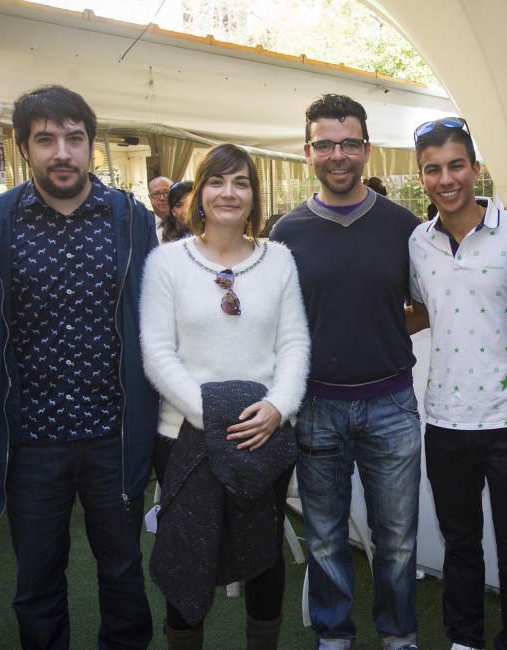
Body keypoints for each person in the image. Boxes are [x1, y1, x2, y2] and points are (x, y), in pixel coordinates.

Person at [0, 85, 158, 649]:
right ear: (24, 147)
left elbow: (154, 313)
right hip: (31, 442)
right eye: (46, 139)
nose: (62, 152)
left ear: (91, 144)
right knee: (37, 582)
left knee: (122, 574)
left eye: (74, 138)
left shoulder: (130, 220)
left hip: (114, 438)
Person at [141, 143, 310, 649]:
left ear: (254, 195)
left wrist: (279, 407)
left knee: (262, 557)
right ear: (199, 193)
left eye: (241, 182)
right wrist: (214, 418)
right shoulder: (166, 261)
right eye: (217, 181)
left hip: (264, 433)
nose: (228, 192)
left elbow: (295, 342)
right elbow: (156, 352)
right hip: (183, 435)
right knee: (187, 551)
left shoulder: (278, 260)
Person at [269, 93, 422, 650]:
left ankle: (399, 635)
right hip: (315, 408)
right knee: (327, 540)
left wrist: (379, 329)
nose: (339, 155)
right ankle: (334, 637)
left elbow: (430, 304)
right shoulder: (286, 233)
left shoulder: (404, 226)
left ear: (367, 149)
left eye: (349, 144)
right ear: (307, 151)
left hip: (392, 406)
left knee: (398, 541)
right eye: (326, 144)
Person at [407, 117, 507, 650]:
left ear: (476, 169)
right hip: (443, 419)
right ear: (422, 178)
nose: (446, 179)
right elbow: (421, 310)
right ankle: (465, 639)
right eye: (433, 170)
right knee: (460, 543)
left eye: (456, 165)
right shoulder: (418, 242)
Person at [149, 175, 173, 240]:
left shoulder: (183, 222)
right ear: (150, 198)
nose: (162, 198)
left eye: (166, 192)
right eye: (156, 194)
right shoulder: (144, 224)